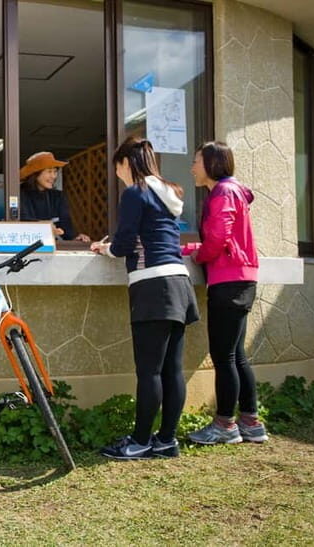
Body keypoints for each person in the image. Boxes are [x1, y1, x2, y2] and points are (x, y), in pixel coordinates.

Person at [91, 137, 199, 460]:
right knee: (172, 370)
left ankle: (139, 442)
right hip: (179, 282)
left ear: (126, 163)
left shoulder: (136, 193)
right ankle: (166, 440)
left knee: (149, 371)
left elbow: (124, 243)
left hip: (152, 286)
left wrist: (103, 248)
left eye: (117, 168)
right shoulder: (170, 193)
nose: (118, 175)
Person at [184, 141, 267, 445]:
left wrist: (200, 255)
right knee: (236, 354)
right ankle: (251, 422)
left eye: (196, 161)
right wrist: (195, 249)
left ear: (212, 163)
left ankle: (225, 425)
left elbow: (218, 238)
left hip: (229, 283)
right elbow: (223, 238)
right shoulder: (231, 192)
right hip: (242, 279)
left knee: (223, 356)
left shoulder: (223, 192)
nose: (192, 167)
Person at [19, 151, 90, 242]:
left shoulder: (58, 196)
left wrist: (75, 237)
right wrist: (46, 227)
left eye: (55, 171)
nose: (53, 176)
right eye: (49, 171)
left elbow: (66, 226)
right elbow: (23, 221)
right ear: (35, 174)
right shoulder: (20, 193)